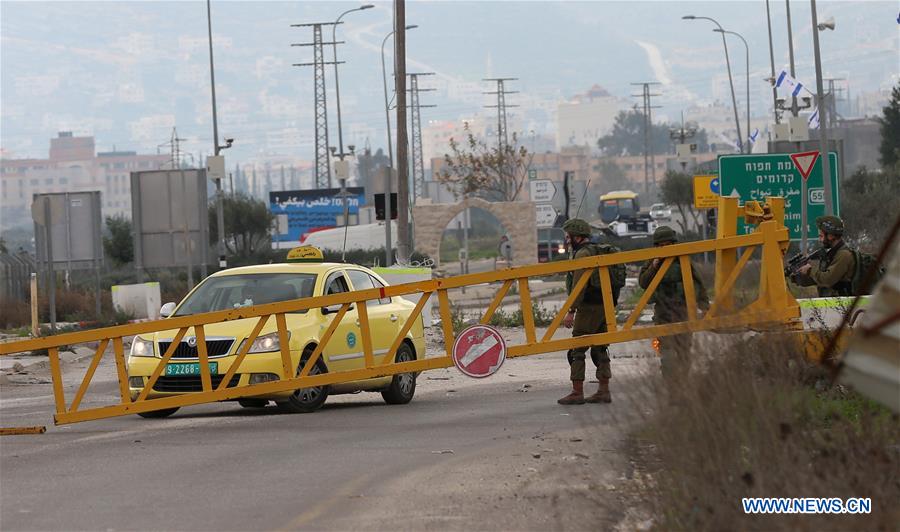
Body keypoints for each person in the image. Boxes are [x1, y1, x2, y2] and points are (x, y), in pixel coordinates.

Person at [638, 226, 709, 379]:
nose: (665, 248)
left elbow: (698, 282)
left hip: (682, 310)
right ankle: (670, 381)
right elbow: (643, 282)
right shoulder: (652, 261)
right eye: (661, 245)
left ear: (674, 244)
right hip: (663, 312)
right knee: (666, 351)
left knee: (684, 349)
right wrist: (653, 266)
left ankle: (683, 381)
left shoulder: (682, 260)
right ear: (656, 246)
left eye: (668, 244)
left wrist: (704, 306)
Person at [557, 218, 613, 405]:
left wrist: (571, 311)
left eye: (568, 237)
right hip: (604, 305)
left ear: (577, 237)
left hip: (588, 307)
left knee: (577, 349)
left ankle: (577, 392)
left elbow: (579, 286)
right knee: (600, 347)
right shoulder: (597, 250)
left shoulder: (582, 255)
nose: (567, 240)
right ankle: (603, 390)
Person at [791, 216, 855, 297]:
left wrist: (810, 270)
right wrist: (797, 277)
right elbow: (818, 280)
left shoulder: (844, 255)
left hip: (845, 303)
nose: (819, 240)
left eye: (821, 236)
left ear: (831, 236)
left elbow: (827, 280)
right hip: (835, 303)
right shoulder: (832, 254)